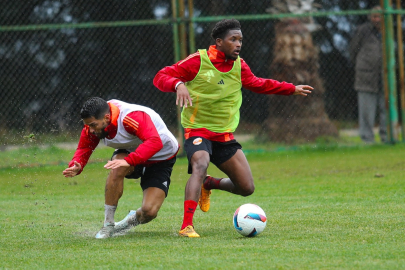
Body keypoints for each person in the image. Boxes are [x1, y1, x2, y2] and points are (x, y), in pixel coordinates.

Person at [153, 19, 313, 237]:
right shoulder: (198, 61)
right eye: (233, 39)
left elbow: (258, 84)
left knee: (246, 188)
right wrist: (178, 84)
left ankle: (208, 184)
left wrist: (290, 88)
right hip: (197, 130)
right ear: (219, 42)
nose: (238, 44)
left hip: (224, 135)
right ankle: (186, 226)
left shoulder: (239, 65)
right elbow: (160, 77)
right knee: (200, 163)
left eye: (240, 40)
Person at [62, 97, 179, 239]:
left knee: (149, 212)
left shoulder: (131, 117)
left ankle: (128, 222)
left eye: (93, 125)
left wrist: (130, 160)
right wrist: (77, 164)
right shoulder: (94, 124)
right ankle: (108, 225)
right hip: (131, 153)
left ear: (106, 117)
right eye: (88, 125)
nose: (91, 130)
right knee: (117, 167)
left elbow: (155, 142)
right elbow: (85, 146)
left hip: (160, 158)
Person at [350, 6, 387, 143]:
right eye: (374, 17)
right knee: (366, 112)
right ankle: (367, 139)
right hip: (366, 77)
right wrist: (362, 65)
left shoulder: (389, 30)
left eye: (379, 16)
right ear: (370, 18)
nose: (377, 19)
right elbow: (353, 50)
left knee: (387, 109)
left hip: (386, 77)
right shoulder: (363, 31)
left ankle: (387, 137)